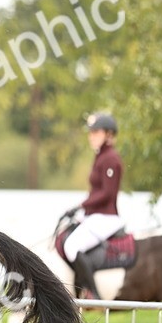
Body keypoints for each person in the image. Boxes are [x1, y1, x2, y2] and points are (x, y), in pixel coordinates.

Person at [62, 112, 124, 299]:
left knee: (72, 246)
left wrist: (81, 204)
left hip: (106, 217)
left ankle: (93, 293)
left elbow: (107, 193)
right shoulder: (101, 156)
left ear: (108, 134)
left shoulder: (111, 158)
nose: (91, 136)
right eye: (91, 132)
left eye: (96, 132)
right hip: (94, 215)